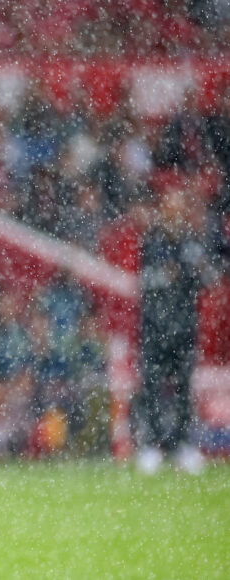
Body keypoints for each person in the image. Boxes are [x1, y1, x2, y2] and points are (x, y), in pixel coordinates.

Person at [135, 186, 211, 475]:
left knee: (182, 389)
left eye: (178, 205)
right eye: (169, 204)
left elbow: (205, 277)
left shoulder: (193, 241)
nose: (173, 210)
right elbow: (145, 282)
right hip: (155, 329)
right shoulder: (152, 241)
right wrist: (169, 276)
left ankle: (181, 445)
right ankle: (153, 445)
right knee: (153, 387)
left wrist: (184, 272)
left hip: (183, 328)